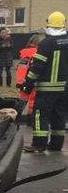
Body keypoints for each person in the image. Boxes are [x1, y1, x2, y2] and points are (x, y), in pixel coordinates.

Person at [21, 11, 68, 153]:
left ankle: (39, 144)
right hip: (64, 89)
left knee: (40, 114)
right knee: (59, 115)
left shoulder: (46, 43)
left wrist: (27, 84)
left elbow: (37, 67)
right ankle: (56, 145)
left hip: (47, 89)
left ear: (48, 24)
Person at [16, 33, 41, 125]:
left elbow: (21, 67)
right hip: (34, 79)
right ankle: (31, 121)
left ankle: (15, 118)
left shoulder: (24, 52)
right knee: (32, 101)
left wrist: (20, 82)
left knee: (22, 101)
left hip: (23, 80)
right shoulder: (40, 52)